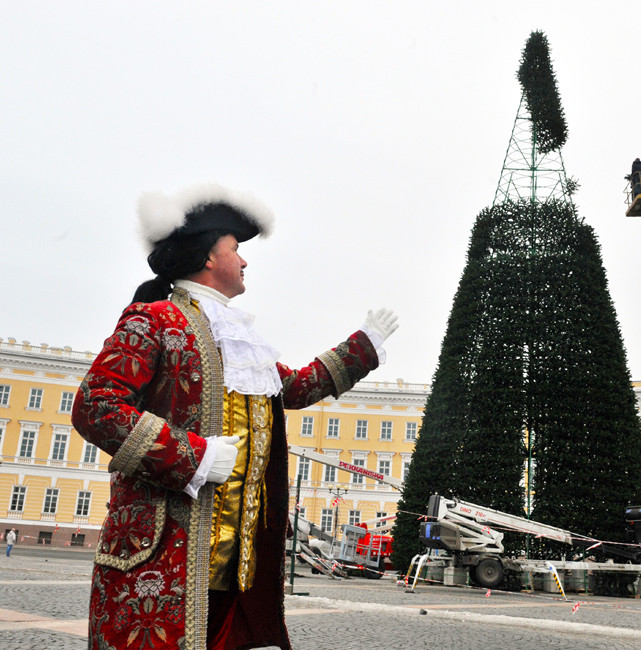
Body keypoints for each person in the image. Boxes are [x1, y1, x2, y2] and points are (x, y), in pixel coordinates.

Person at [72, 183, 398, 650]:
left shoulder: (246, 343)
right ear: (209, 258)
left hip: (236, 560)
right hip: (167, 549)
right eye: (236, 249)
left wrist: (362, 346)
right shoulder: (155, 320)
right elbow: (96, 406)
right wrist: (192, 456)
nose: (244, 261)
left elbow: (295, 388)